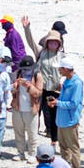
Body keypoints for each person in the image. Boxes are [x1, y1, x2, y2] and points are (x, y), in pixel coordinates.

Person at [24, 17, 64, 147]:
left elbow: (65, 72)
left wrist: (63, 82)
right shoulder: (41, 52)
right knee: (36, 112)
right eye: (51, 42)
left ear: (59, 44)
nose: (53, 44)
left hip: (55, 89)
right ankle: (33, 139)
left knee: (53, 115)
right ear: (47, 42)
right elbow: (30, 42)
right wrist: (27, 28)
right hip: (40, 88)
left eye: (55, 42)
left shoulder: (62, 56)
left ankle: (53, 140)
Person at [54, 58, 84, 168]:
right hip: (61, 119)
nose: (59, 70)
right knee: (63, 147)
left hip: (70, 121)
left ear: (66, 69)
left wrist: (58, 103)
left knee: (73, 147)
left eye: (60, 68)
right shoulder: (66, 80)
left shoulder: (77, 83)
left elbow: (74, 103)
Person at [12, 55, 43, 162]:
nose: (25, 71)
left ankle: (32, 154)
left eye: (27, 69)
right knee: (18, 132)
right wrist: (15, 86)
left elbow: (38, 93)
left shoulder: (37, 76)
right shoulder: (18, 74)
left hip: (31, 109)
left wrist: (29, 86)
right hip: (18, 107)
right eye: (24, 69)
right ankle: (20, 153)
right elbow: (12, 91)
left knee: (32, 133)